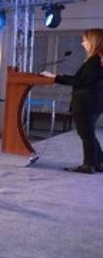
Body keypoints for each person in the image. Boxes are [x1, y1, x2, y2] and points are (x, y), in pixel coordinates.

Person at [42, 28, 103, 174]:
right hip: (93, 101)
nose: (82, 44)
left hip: (85, 102)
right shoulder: (98, 59)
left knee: (86, 134)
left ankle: (88, 165)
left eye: (85, 40)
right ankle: (98, 162)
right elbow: (83, 79)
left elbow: (81, 81)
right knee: (88, 133)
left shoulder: (95, 60)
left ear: (94, 41)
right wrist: (57, 77)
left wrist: (56, 78)